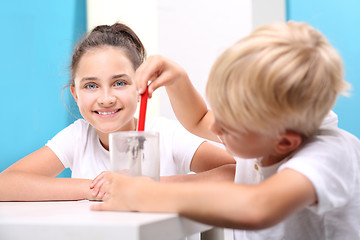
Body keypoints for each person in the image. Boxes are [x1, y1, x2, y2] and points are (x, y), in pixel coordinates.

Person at [90, 21, 360, 240]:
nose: (215, 126)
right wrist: (178, 79)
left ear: (285, 143)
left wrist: (145, 194)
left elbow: (258, 207)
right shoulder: (263, 132)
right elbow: (199, 118)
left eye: (228, 127)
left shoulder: (330, 154)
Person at [0, 23, 236, 202]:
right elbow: (5, 184)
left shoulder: (164, 135)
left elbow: (234, 173)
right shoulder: (79, 137)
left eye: (120, 83)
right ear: (75, 93)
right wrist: (100, 187)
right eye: (91, 86)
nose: (106, 99)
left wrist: (147, 186)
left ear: (140, 85)